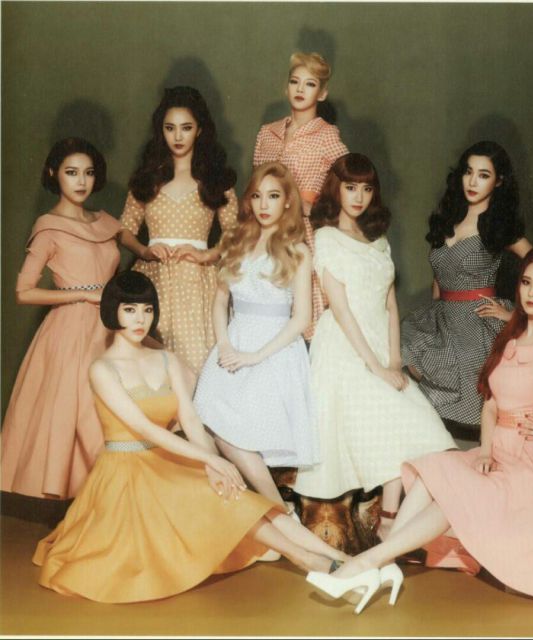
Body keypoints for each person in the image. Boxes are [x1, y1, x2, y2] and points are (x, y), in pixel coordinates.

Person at [311, 242, 533, 611]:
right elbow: (492, 405)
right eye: (526, 282)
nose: (531, 293)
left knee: (454, 498)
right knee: (434, 471)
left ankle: (365, 565)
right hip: (498, 451)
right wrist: (484, 451)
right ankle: (384, 564)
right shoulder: (509, 337)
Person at [32, 271, 348, 603]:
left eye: (147, 310)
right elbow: (146, 429)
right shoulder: (101, 369)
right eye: (129, 310)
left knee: (241, 497)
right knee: (221, 497)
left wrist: (212, 465)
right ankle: (308, 560)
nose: (140, 319)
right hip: (125, 474)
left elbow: (190, 419)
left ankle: (341, 559)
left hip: (167, 460)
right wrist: (210, 458)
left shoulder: (166, 359)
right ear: (113, 311)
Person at [293, 154, 456, 541]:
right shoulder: (326, 237)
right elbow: (341, 309)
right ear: (337, 189)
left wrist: (394, 358)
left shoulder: (378, 240)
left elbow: (390, 303)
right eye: (350, 187)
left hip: (382, 344)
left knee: (426, 436)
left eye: (366, 189)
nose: (358, 196)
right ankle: (388, 521)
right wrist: (375, 366)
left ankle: (390, 521)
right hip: (345, 346)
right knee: (385, 430)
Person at [193, 162, 317, 511]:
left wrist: (255, 357)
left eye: (273, 196)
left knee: (241, 434)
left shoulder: (298, 251)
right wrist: (225, 345)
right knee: (211, 424)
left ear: (287, 202)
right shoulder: (237, 242)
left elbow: (302, 318)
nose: (264, 205)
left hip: (275, 349)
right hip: (233, 343)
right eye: (258, 196)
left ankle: (276, 512)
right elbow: (220, 302)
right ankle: (274, 511)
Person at [1, 137, 121, 499]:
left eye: (88, 173)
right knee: (85, 414)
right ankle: (100, 499)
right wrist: (82, 294)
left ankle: (118, 499)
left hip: (112, 327)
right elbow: (24, 292)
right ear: (54, 174)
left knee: (118, 410)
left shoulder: (105, 221)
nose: (81, 181)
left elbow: (140, 250)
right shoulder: (49, 226)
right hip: (71, 332)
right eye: (71, 172)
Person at [401, 141, 532, 435]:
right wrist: (435, 320)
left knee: (475, 412)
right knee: (399, 358)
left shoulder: (499, 226)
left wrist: (515, 315)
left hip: (477, 325)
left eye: (483, 175)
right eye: (468, 172)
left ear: (499, 181)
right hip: (442, 317)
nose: (472, 182)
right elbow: (439, 280)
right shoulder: (447, 218)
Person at [119, 86, 238, 374]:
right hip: (153, 278)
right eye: (170, 128)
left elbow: (235, 233)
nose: (178, 136)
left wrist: (208, 255)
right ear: (161, 130)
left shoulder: (215, 180)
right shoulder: (148, 179)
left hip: (197, 281)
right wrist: (144, 251)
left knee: (195, 359)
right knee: (152, 361)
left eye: (186, 128)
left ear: (199, 130)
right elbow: (123, 230)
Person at [253, 51, 349, 339]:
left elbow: (350, 182)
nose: (300, 89)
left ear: (322, 93)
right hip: (266, 230)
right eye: (295, 81)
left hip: (304, 232)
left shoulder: (327, 135)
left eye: (310, 84)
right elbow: (256, 185)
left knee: (307, 313)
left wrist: (313, 206)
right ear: (286, 87)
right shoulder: (267, 133)